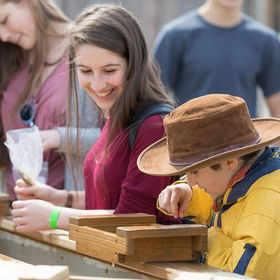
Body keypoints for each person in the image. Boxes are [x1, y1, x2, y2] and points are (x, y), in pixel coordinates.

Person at [11, 4, 178, 232]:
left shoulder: (154, 126)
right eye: (86, 71)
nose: (98, 85)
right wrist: (58, 197)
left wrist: (54, 216)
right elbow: (107, 199)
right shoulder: (113, 116)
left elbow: (135, 218)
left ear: (133, 65)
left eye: (109, 71)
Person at [137, 94, 280, 279]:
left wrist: (207, 236)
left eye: (194, 171)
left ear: (230, 161)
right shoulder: (243, 175)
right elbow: (232, 205)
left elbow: (240, 275)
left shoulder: (268, 203)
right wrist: (188, 195)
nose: (189, 180)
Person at [0, 0, 100, 199]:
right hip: (14, 212)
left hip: (64, 216)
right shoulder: (10, 57)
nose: (4, 36)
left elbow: (120, 139)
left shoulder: (89, 52)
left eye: (4, 20)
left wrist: (59, 137)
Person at [153, 0, 280, 118]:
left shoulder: (265, 39)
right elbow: (154, 99)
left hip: (247, 140)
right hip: (190, 138)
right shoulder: (174, 35)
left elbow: (276, 105)